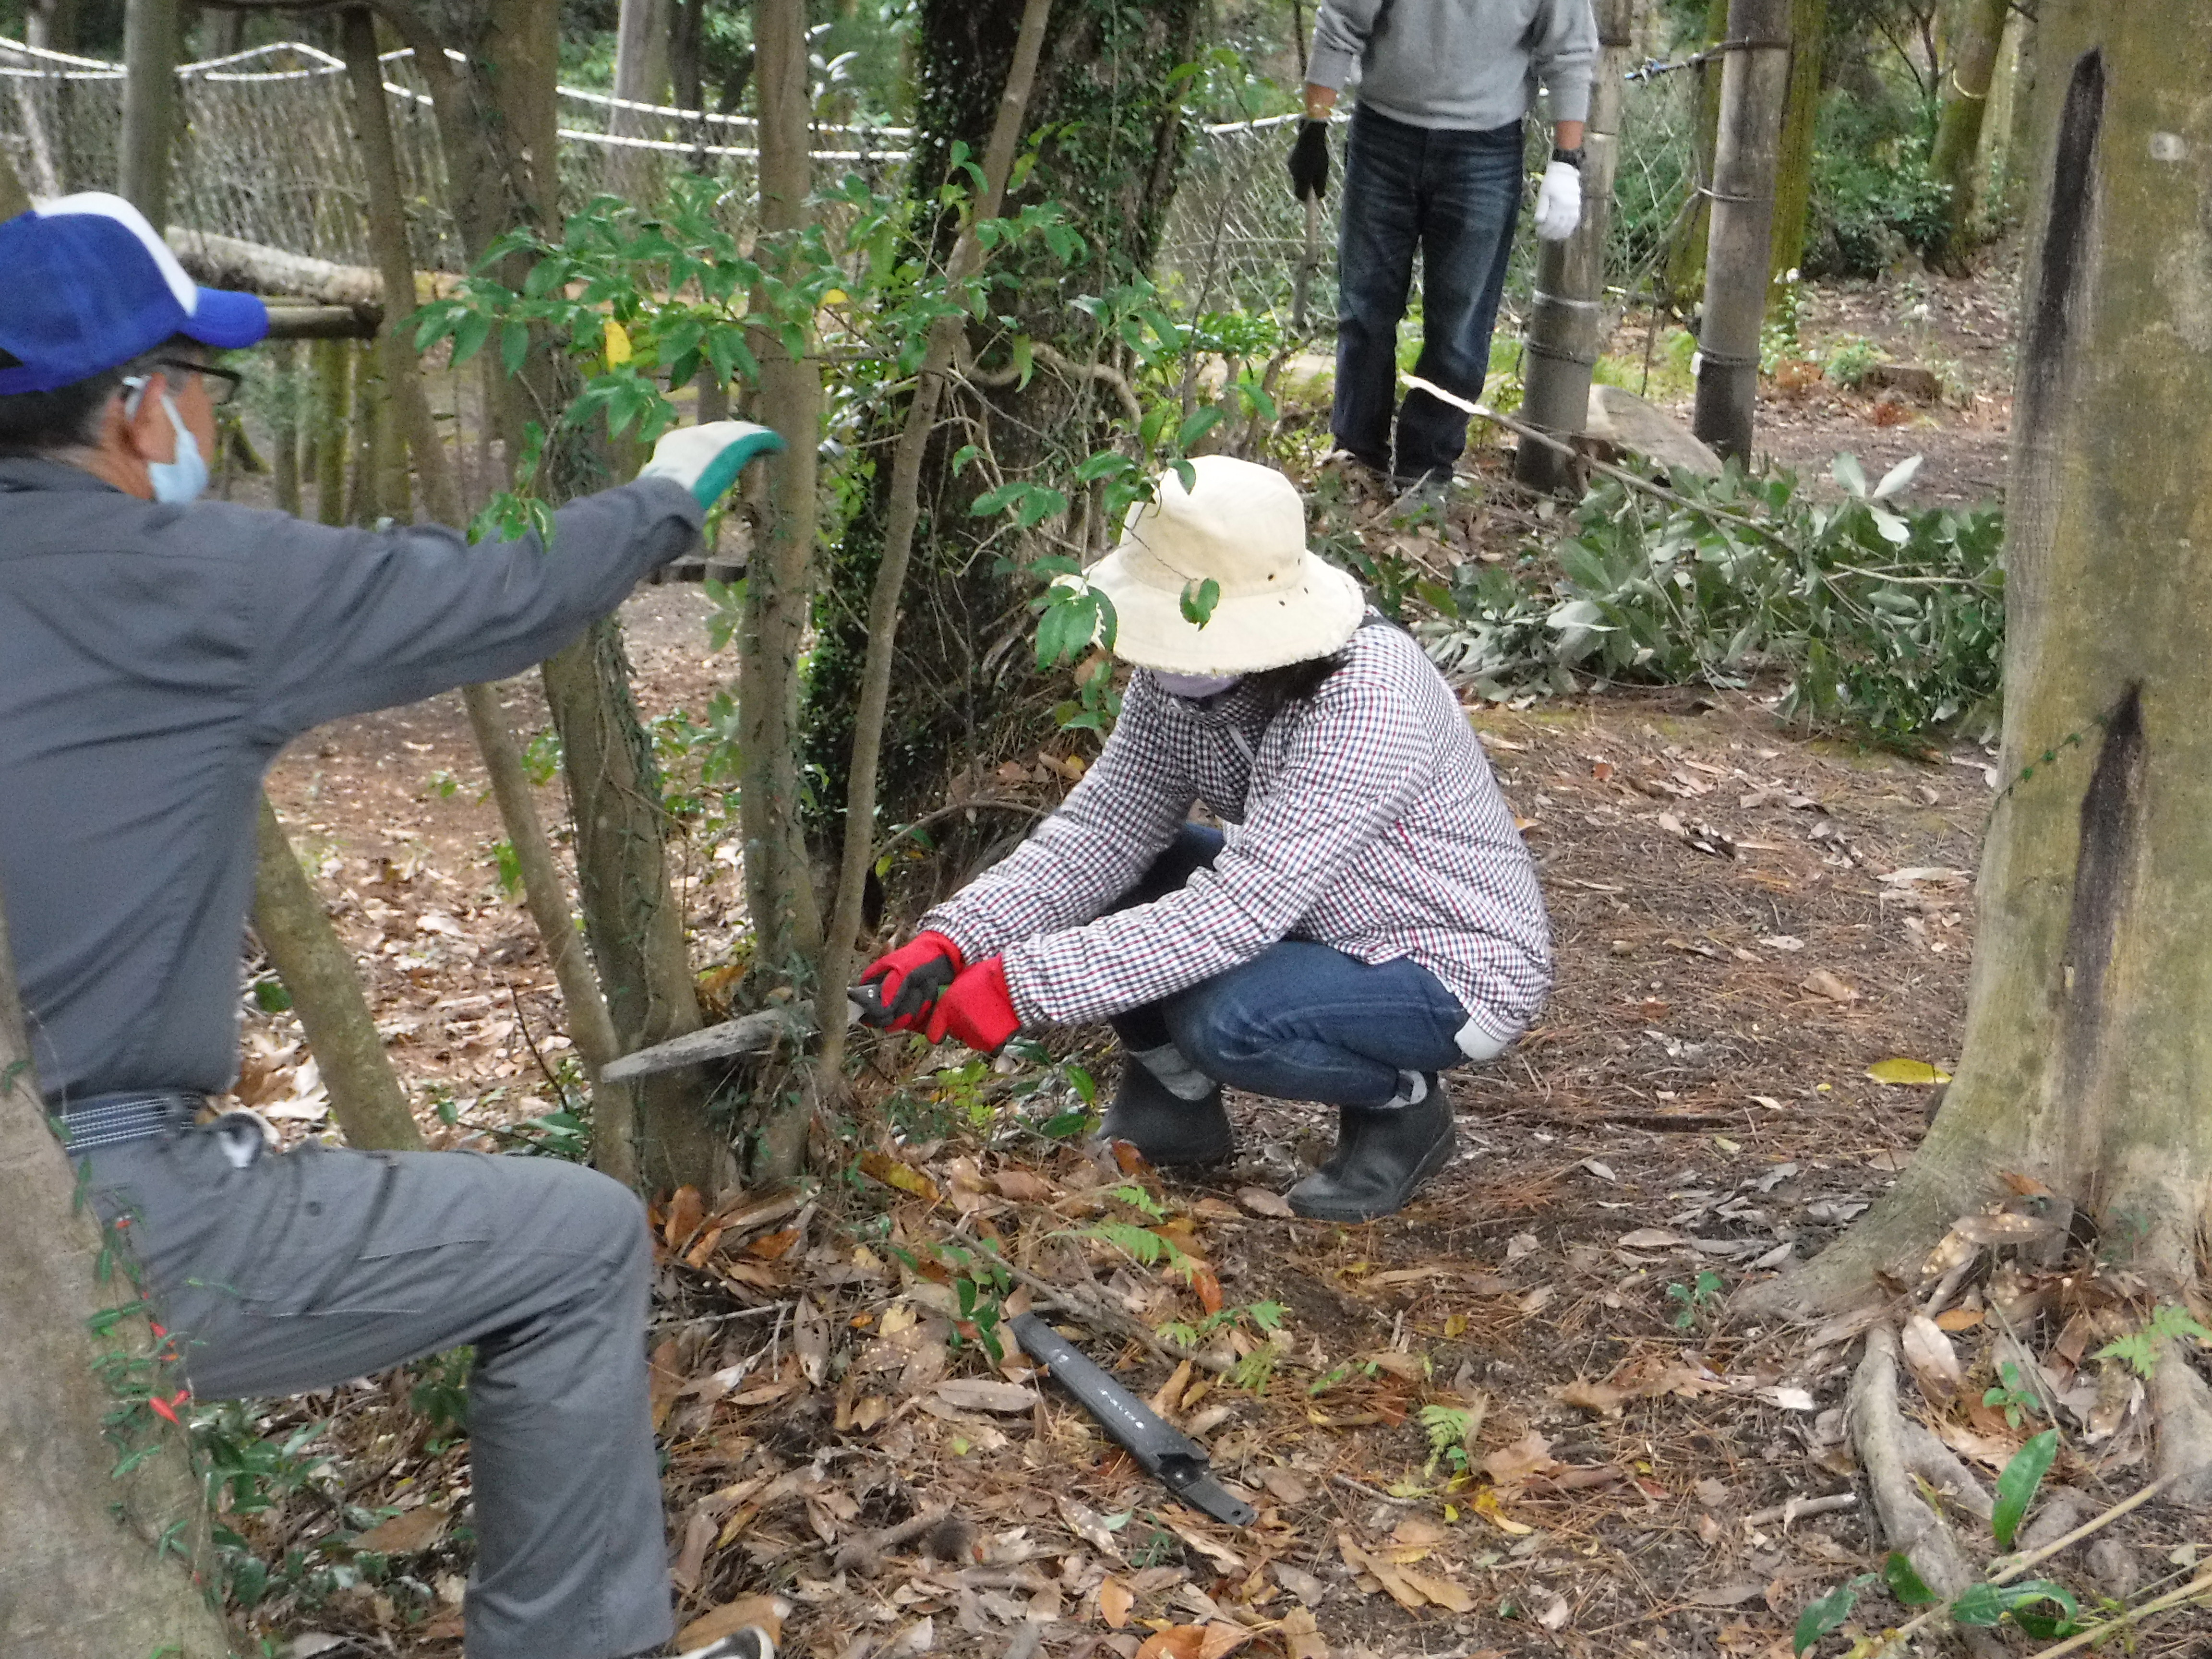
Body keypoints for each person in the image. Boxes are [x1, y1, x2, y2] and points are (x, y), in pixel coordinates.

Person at [0, 193, 778, 1659]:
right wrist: (668, 498)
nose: (205, 421)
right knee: (575, 1242)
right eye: (199, 385)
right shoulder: (185, 583)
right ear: (133, 407)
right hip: (93, 1218)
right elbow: (490, 594)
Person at [859, 456, 1550, 1221]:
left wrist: (1014, 988)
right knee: (1119, 872)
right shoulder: (1180, 679)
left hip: (1446, 964)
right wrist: (953, 942)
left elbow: (1239, 911)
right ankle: (1174, 1102)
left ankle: (1403, 1107)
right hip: (1315, 915)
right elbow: (1102, 829)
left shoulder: (1366, 696)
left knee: (1229, 1020)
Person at [1288, 0, 1600, 494]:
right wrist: (1315, 123)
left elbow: (1571, 53)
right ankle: (1356, 459)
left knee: (1460, 327)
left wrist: (1567, 160)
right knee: (1364, 309)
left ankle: (1426, 472)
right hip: (1383, 135)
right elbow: (1343, 21)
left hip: (1486, 148)